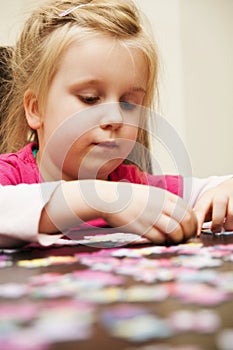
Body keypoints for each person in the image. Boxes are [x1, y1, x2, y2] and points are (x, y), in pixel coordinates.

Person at [0, 0, 232, 249]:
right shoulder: (11, 176)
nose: (115, 119)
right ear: (35, 109)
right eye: (90, 99)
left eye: (129, 104)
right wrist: (100, 200)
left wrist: (226, 191)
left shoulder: (134, 185)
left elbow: (215, 187)